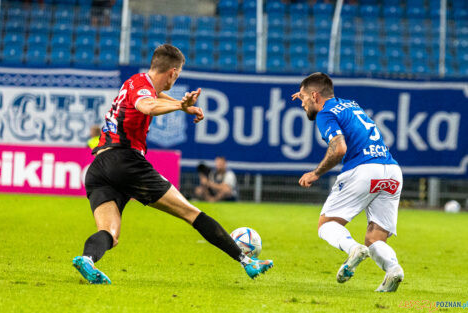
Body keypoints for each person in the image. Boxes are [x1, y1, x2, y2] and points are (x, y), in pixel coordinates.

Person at [72, 44, 273, 284]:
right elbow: (147, 105)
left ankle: (87, 259)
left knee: (110, 233)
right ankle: (246, 261)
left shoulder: (134, 82)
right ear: (172, 72)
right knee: (191, 213)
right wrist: (180, 106)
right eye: (177, 76)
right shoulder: (144, 93)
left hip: (99, 167)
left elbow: (154, 96)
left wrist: (182, 105)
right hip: (125, 161)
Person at [292, 72, 404, 292]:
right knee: (375, 239)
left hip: (363, 169)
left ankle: (353, 249)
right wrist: (305, 94)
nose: (302, 104)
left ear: (315, 96)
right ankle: (393, 269)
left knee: (326, 225)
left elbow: (339, 148)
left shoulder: (325, 113)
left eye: (304, 98)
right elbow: (321, 97)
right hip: (391, 171)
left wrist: (316, 173)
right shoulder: (349, 104)